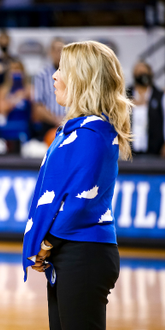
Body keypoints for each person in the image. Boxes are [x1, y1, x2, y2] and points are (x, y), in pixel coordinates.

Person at [22, 41, 132, 330]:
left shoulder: (92, 132)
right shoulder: (78, 128)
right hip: (71, 250)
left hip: (84, 251)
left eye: (61, 69)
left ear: (83, 78)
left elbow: (78, 203)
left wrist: (46, 244)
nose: (54, 76)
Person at [126, 61, 165, 157]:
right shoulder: (127, 94)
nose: (141, 75)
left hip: (154, 149)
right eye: (138, 72)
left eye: (144, 72)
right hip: (131, 150)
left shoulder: (158, 95)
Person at [32, 38, 66, 140]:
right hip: (49, 125)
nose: (59, 54)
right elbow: (37, 106)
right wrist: (56, 120)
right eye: (56, 50)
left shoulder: (74, 73)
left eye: (61, 50)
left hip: (71, 122)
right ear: (50, 52)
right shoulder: (42, 74)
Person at [0, 58, 32, 143]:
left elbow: (35, 113)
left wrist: (25, 94)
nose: (16, 72)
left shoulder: (29, 89)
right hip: (8, 126)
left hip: (25, 127)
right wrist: (16, 98)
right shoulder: (2, 90)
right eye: (13, 69)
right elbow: (1, 109)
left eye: (18, 69)